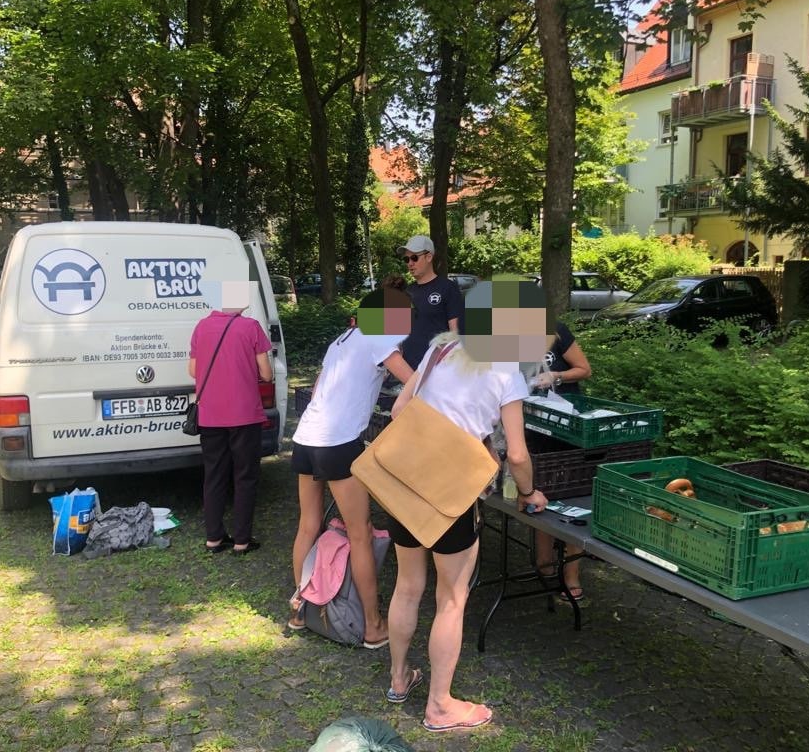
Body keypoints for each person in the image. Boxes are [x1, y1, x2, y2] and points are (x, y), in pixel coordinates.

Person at [384, 331, 547, 733]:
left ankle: (399, 679)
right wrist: (528, 492)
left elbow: (399, 410)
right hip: (451, 490)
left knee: (407, 586)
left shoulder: (441, 349)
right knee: (451, 600)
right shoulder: (507, 372)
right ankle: (439, 707)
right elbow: (518, 454)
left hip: (406, 478)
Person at [289, 284, 414, 646]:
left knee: (308, 525)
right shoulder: (380, 337)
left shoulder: (341, 340)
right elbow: (416, 382)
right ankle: (373, 626)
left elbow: (318, 391)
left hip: (306, 437)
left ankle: (300, 610)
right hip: (339, 441)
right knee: (360, 533)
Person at [188, 297, 273, 555]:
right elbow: (267, 374)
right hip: (244, 414)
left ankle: (213, 538)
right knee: (245, 476)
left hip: (210, 415)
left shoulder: (201, 326)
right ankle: (241, 541)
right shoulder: (251, 327)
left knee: (214, 475)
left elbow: (193, 370)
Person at [530, 321, 593, 600]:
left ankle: (571, 574)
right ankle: (544, 564)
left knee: (571, 495)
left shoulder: (555, 330)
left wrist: (555, 376)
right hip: (531, 425)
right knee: (539, 491)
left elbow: (584, 369)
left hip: (566, 423)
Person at [397, 235, 464, 369]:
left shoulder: (448, 288)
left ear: (428, 257)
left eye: (414, 257)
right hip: (408, 371)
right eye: (406, 259)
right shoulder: (407, 291)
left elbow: (456, 333)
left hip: (436, 369)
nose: (410, 263)